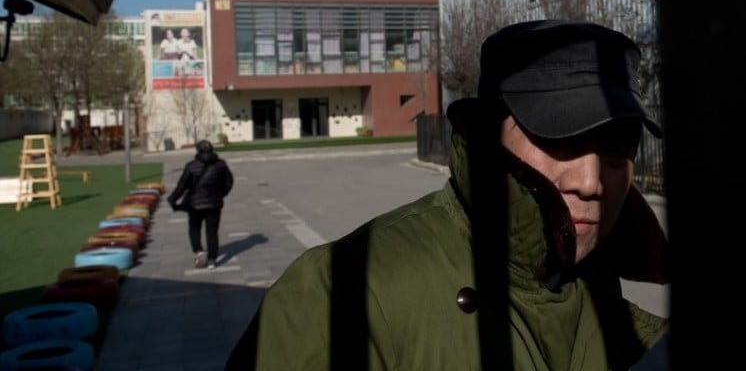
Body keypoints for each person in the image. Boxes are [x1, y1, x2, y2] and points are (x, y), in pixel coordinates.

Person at [226, 20, 669, 370]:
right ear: (486, 134)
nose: (590, 181)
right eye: (560, 139)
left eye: (616, 150)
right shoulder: (342, 288)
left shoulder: (610, 300)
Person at [167, 139, 234, 269]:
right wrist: (220, 194)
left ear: (198, 150)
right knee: (212, 231)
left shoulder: (191, 166)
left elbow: (182, 186)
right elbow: (229, 183)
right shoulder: (221, 164)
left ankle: (199, 250)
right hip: (214, 204)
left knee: (194, 228)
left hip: (195, 205)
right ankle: (212, 260)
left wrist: (173, 199)